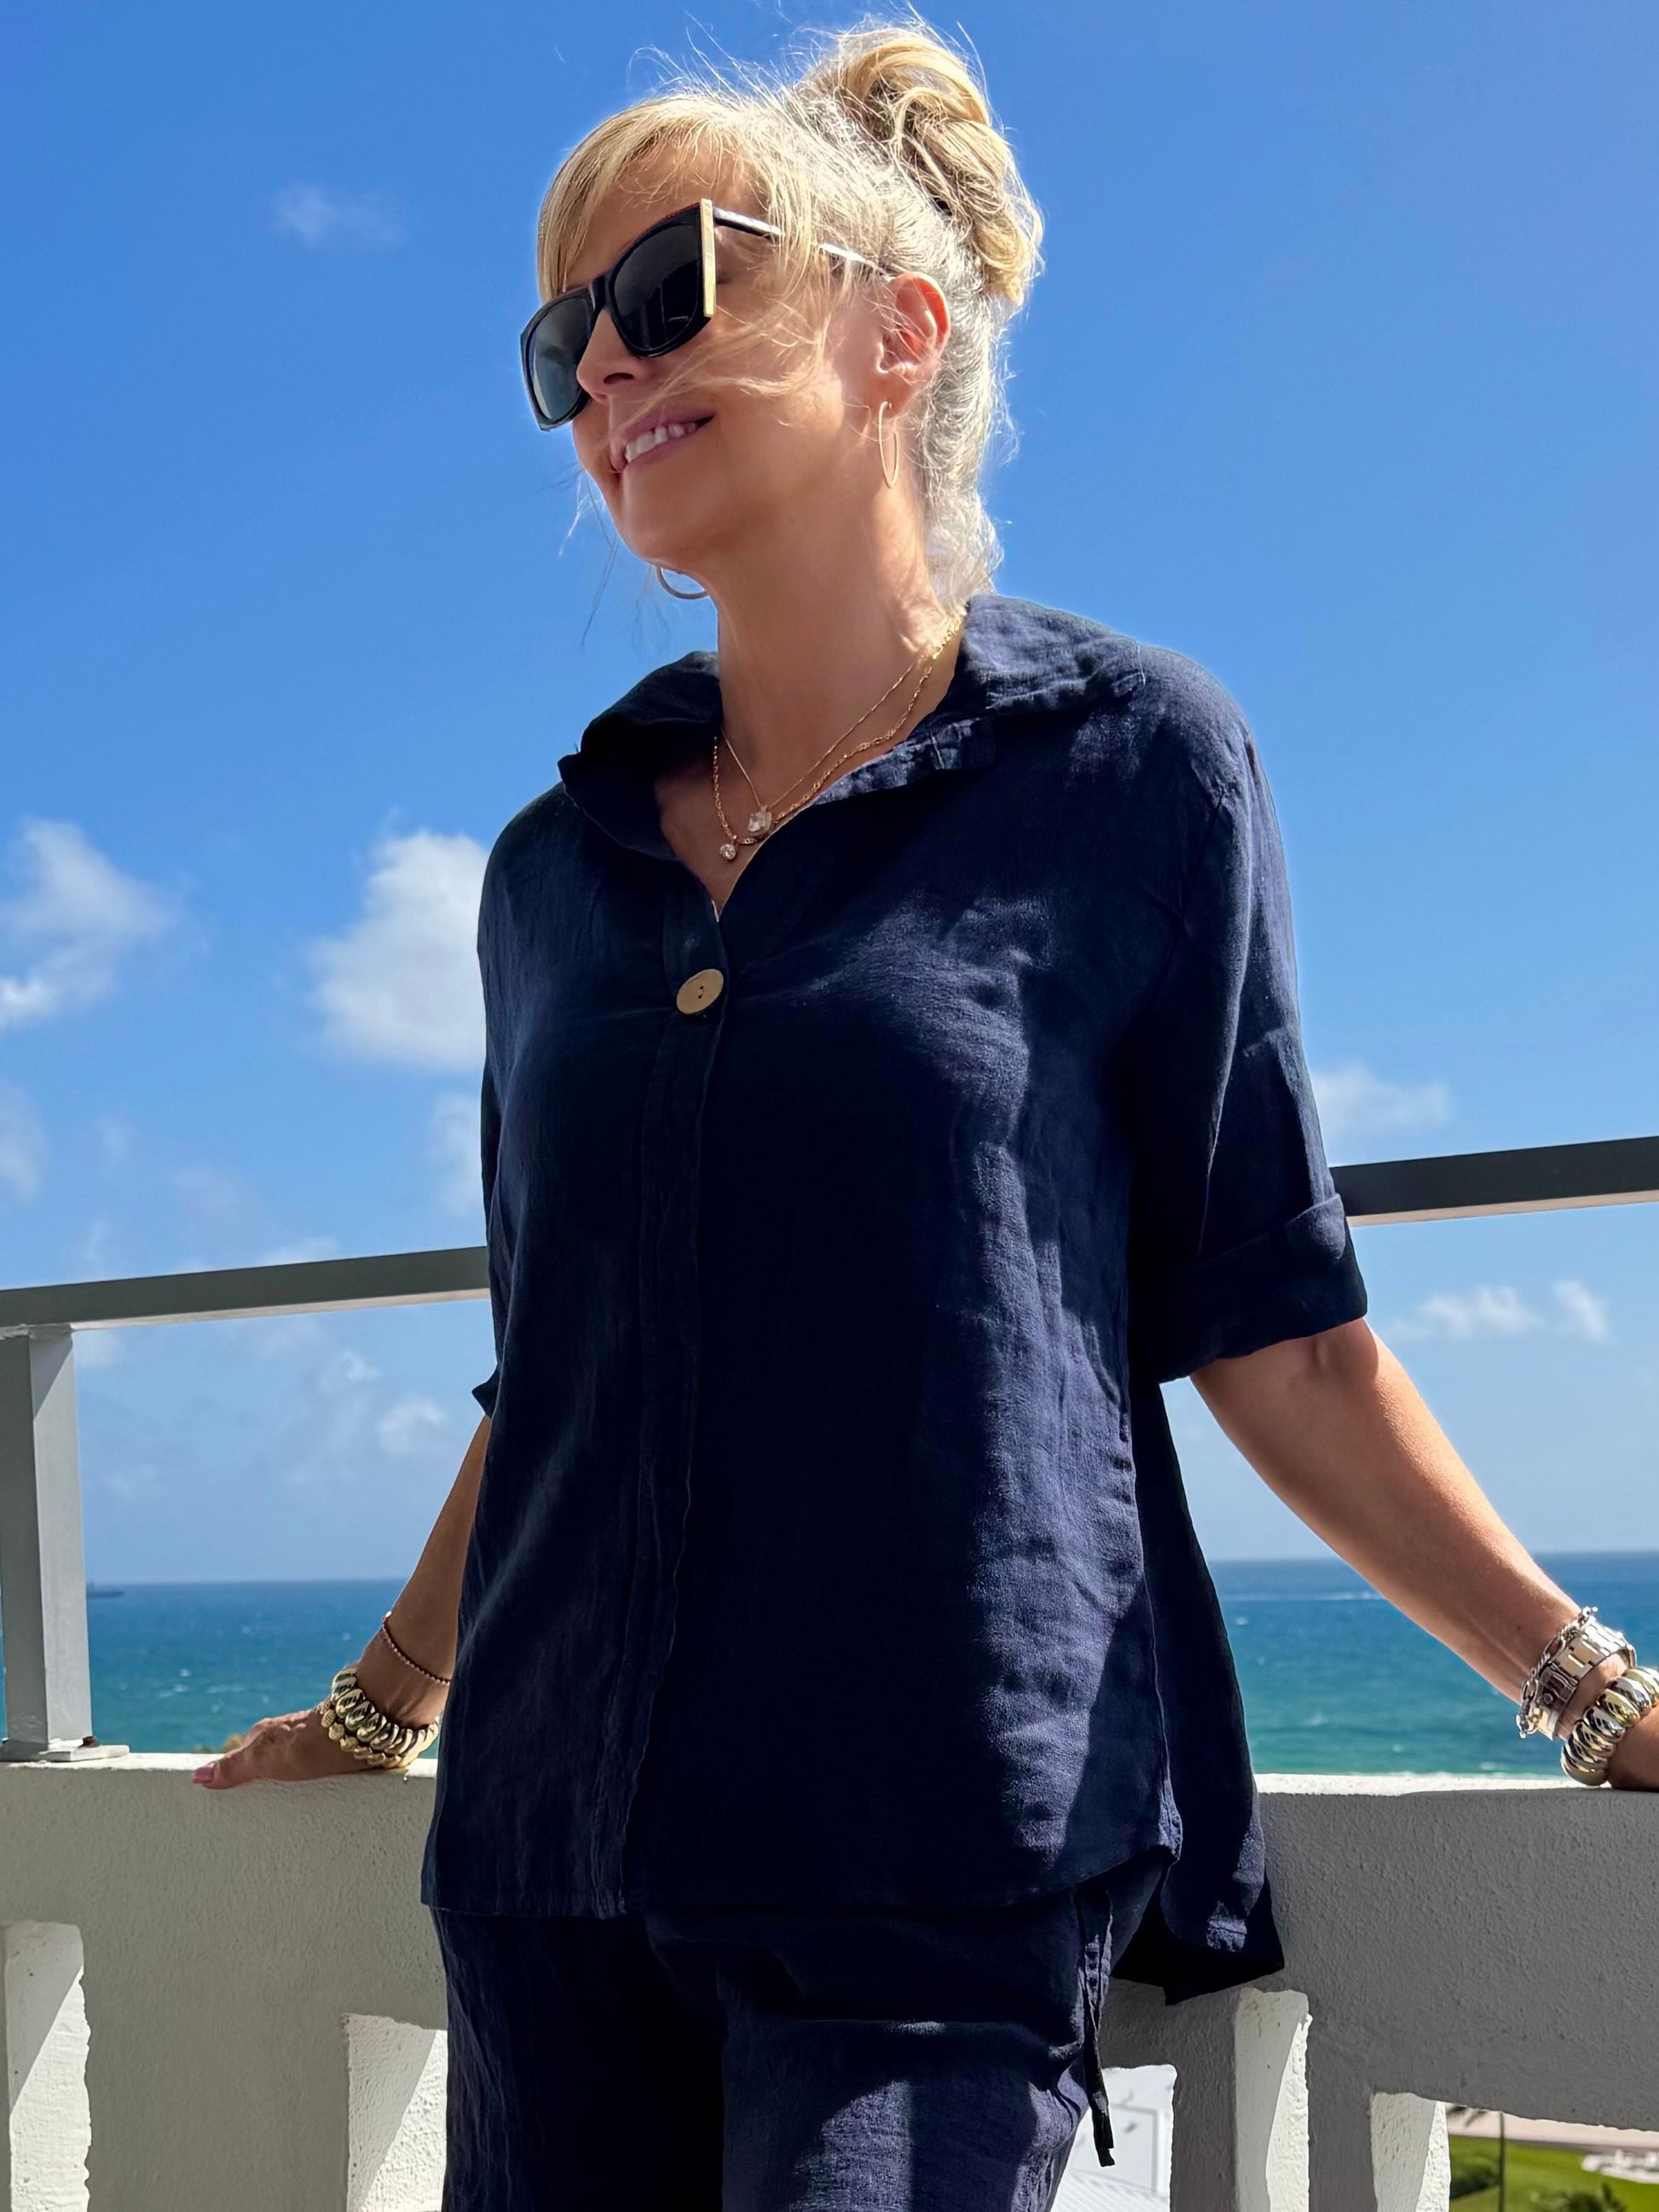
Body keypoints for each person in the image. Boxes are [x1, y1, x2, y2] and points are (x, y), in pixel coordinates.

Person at [194, 19, 1659, 2209]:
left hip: (930, 1849)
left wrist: (1596, 1694)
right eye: (562, 344)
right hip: (551, 1867)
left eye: (671, 283)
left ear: (899, 331)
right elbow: (564, 1361)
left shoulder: (1133, 769)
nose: (608, 366)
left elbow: (1277, 1322)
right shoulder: (545, 876)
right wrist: (385, 1702)